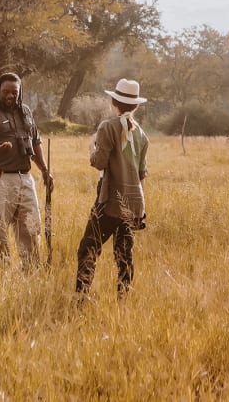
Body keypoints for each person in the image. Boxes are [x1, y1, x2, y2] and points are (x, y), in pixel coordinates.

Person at [76, 78, 149, 298]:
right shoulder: (141, 134)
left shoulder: (107, 126)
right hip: (134, 202)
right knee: (124, 254)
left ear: (113, 101)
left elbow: (99, 162)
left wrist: (92, 147)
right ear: (135, 105)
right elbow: (142, 174)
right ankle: (123, 299)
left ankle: (81, 297)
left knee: (88, 248)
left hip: (110, 200)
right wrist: (141, 210)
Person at [0, 72, 53, 269]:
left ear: (20, 93)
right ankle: (2, 273)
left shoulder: (26, 112)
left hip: (25, 179)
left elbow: (35, 143)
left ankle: (32, 272)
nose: (10, 96)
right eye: (5, 92)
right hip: (0, 179)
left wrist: (44, 170)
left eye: (14, 92)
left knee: (30, 228)